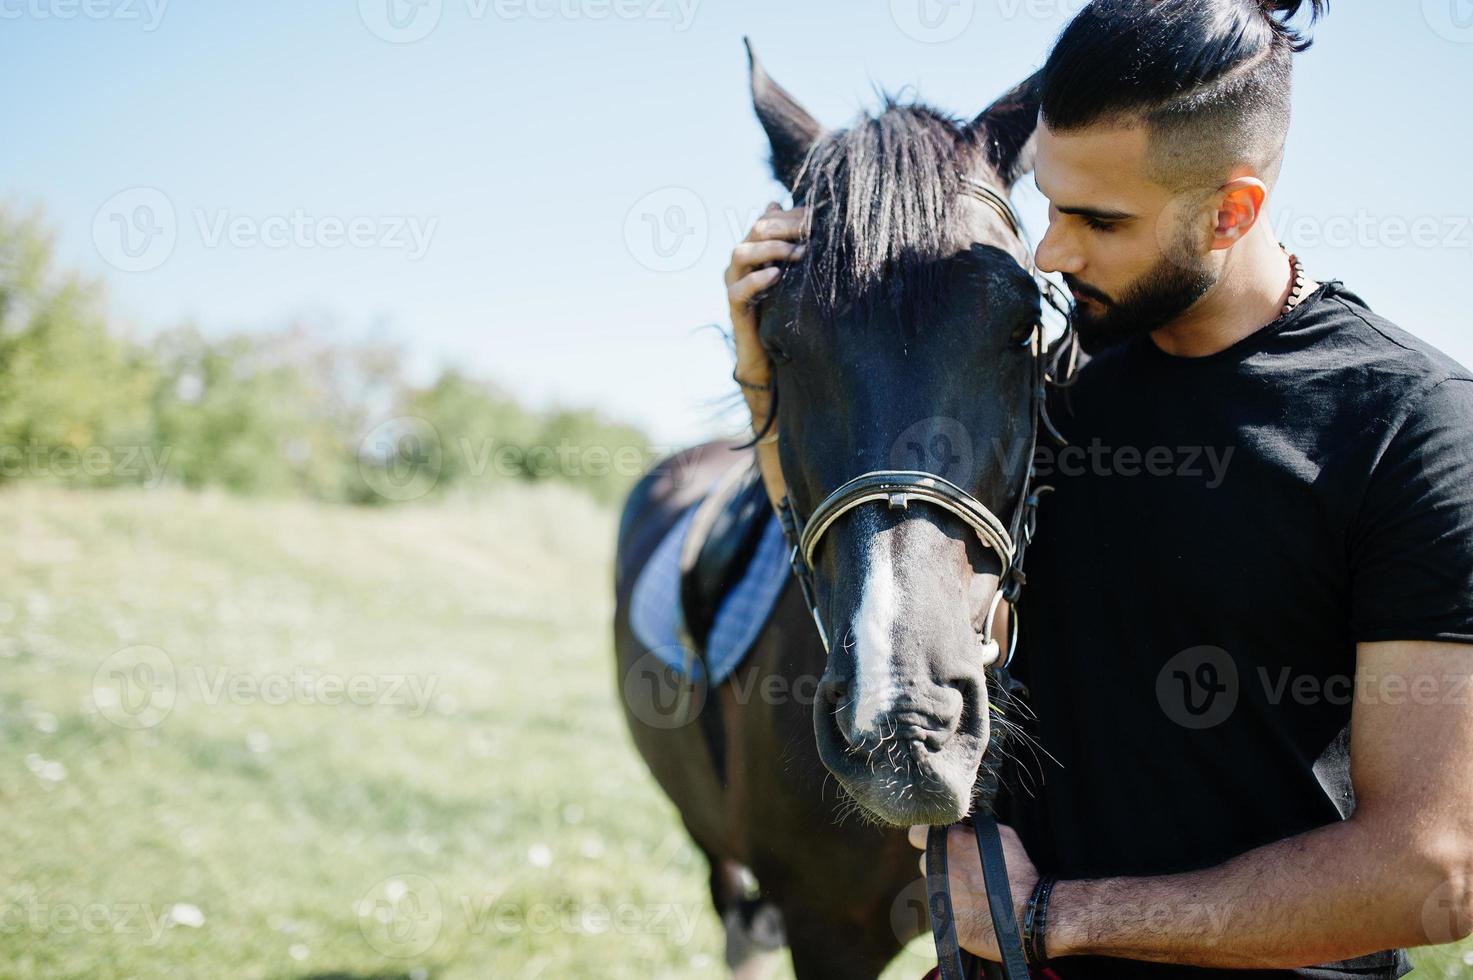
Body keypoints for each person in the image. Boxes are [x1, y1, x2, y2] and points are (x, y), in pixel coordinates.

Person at [723, 1, 1473, 976]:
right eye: (1050, 203)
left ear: (1230, 211)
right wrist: (763, 367)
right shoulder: (1047, 379)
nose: (1050, 253)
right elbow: (863, 528)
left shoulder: (1413, 426)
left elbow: (1430, 873)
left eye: (1099, 221)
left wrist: (1052, 918)